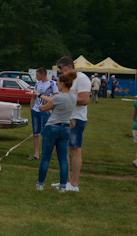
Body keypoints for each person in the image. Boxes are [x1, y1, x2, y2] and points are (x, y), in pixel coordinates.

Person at [35, 70, 76, 191]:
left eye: (58, 82)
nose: (57, 84)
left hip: (52, 128)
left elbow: (45, 107)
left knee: (46, 157)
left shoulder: (58, 97)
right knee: (63, 159)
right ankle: (63, 186)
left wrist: (42, 107)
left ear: (63, 83)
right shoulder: (73, 97)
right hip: (65, 128)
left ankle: (40, 183)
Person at [56, 55, 91, 192]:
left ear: (69, 67)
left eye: (61, 69)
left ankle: (74, 184)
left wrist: (65, 98)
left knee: (75, 149)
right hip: (64, 117)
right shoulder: (67, 79)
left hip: (76, 118)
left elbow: (85, 99)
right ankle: (66, 181)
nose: (60, 71)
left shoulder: (82, 79)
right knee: (63, 150)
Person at [29, 68, 58, 160]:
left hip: (45, 111)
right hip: (35, 111)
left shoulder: (52, 83)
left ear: (43, 74)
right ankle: (36, 153)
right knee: (36, 133)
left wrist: (49, 107)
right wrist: (31, 108)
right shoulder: (37, 84)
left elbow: (56, 97)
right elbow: (34, 97)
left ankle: (45, 153)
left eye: (37, 75)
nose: (36, 77)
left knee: (45, 132)